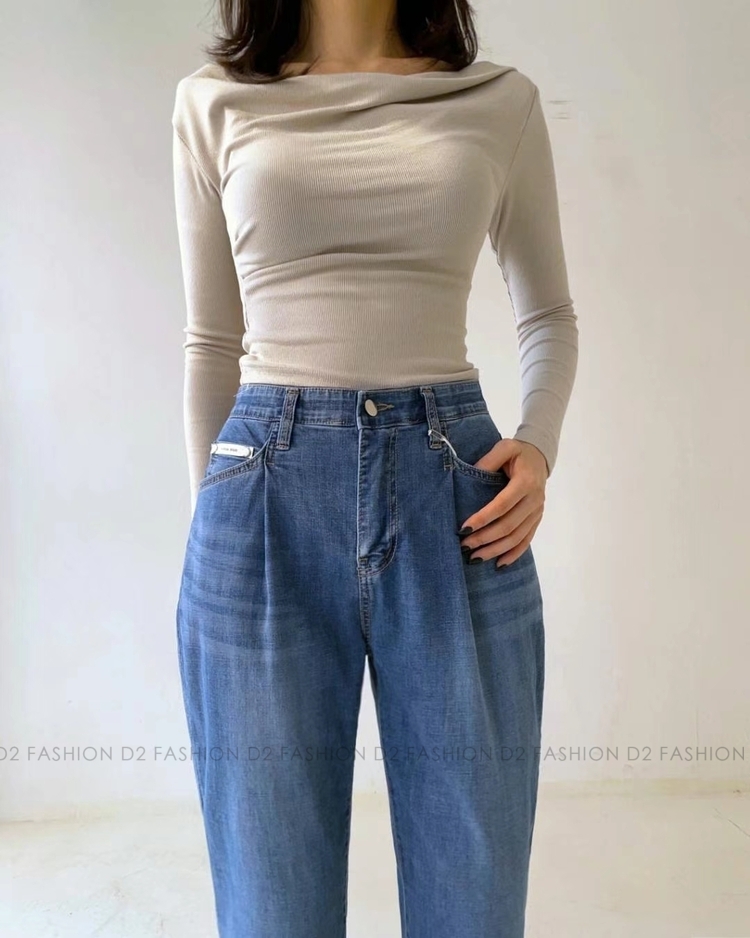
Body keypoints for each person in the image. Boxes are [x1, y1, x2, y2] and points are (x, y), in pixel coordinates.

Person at [172, 1, 578, 935]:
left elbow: (548, 314)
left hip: (456, 495)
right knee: (270, 898)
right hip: (261, 495)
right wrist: (215, 528)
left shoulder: (498, 101)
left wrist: (539, 444)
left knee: (472, 890)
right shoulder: (212, 100)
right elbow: (211, 341)